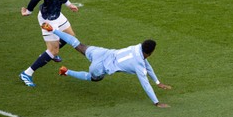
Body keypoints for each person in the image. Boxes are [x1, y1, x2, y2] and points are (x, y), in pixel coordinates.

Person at [41, 23, 172, 108]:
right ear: (150, 52)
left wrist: (158, 82)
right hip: (100, 67)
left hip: (101, 52)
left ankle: (53, 30)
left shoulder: (137, 48)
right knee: (93, 78)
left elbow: (146, 64)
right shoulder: (139, 64)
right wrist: (157, 102)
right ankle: (66, 71)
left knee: (78, 45)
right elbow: (145, 84)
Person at [20, 0, 79, 87]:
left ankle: (48, 53)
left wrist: (69, 4)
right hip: (48, 19)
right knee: (53, 51)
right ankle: (27, 73)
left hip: (57, 15)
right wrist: (28, 11)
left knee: (71, 37)